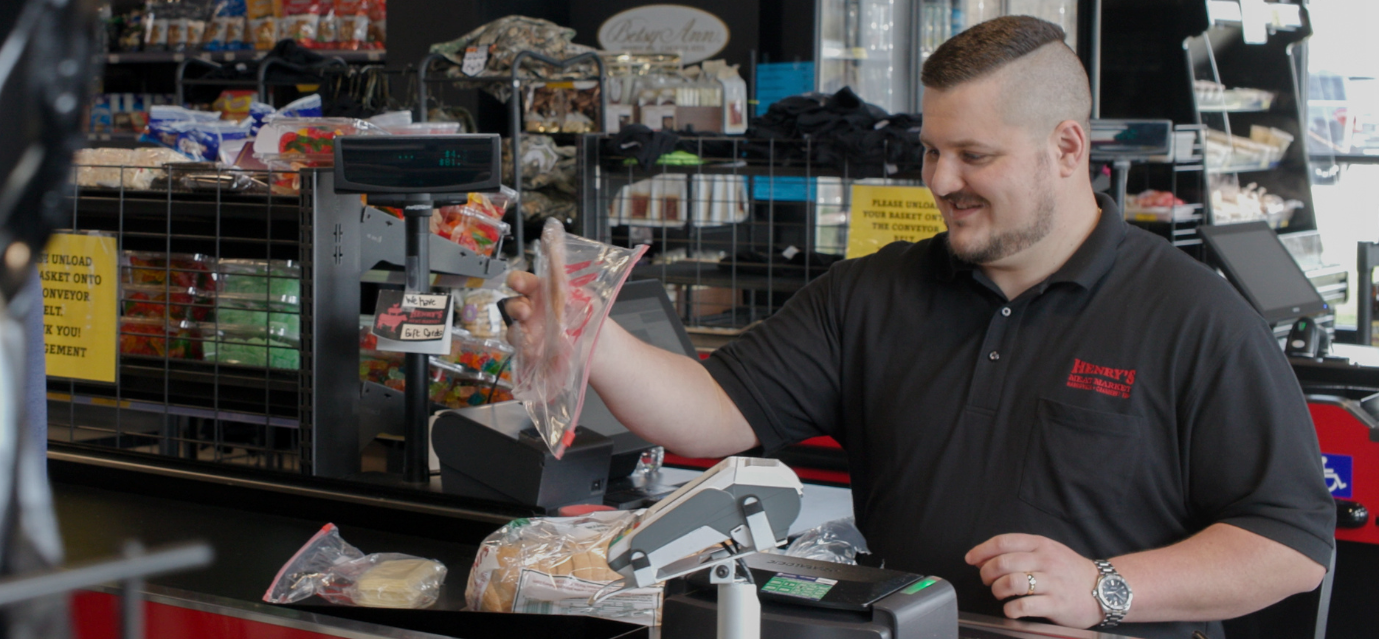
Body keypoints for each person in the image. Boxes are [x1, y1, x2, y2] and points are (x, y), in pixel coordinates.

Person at [507, 15, 1334, 639]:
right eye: (932, 151)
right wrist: (592, 340)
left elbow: (1288, 544)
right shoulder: (873, 292)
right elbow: (714, 407)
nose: (942, 180)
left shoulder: (1194, 317)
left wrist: (1105, 586)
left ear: (1067, 148)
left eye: (974, 155)